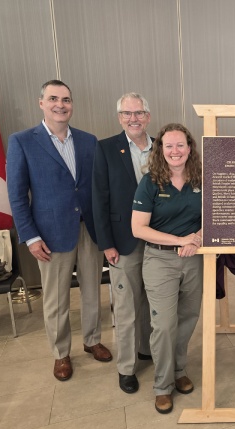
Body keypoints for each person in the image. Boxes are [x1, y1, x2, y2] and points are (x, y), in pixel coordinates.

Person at [7, 80, 112, 382]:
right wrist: (30, 236)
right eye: (53, 98)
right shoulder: (23, 141)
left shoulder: (88, 140)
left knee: (93, 289)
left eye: (66, 99)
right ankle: (61, 353)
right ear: (41, 102)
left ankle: (92, 340)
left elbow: (95, 188)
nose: (60, 105)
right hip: (49, 234)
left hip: (89, 230)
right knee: (55, 299)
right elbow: (16, 195)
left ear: (71, 105)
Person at [131, 123, 203, 414]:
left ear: (189, 148)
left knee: (187, 319)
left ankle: (178, 370)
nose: (175, 151)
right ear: (160, 149)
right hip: (160, 260)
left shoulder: (201, 178)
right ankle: (162, 386)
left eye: (180, 145)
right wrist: (178, 240)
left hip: (195, 259)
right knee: (163, 325)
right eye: (169, 146)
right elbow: (138, 228)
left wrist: (197, 238)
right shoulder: (150, 182)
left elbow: (217, 213)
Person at [92, 93, 154, 394]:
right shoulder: (104, 149)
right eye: (127, 113)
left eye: (139, 112)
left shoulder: (163, 147)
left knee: (152, 301)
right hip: (122, 242)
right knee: (127, 307)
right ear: (119, 118)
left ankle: (146, 349)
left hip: (158, 241)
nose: (134, 118)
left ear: (148, 116)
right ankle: (127, 367)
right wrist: (106, 244)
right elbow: (98, 200)